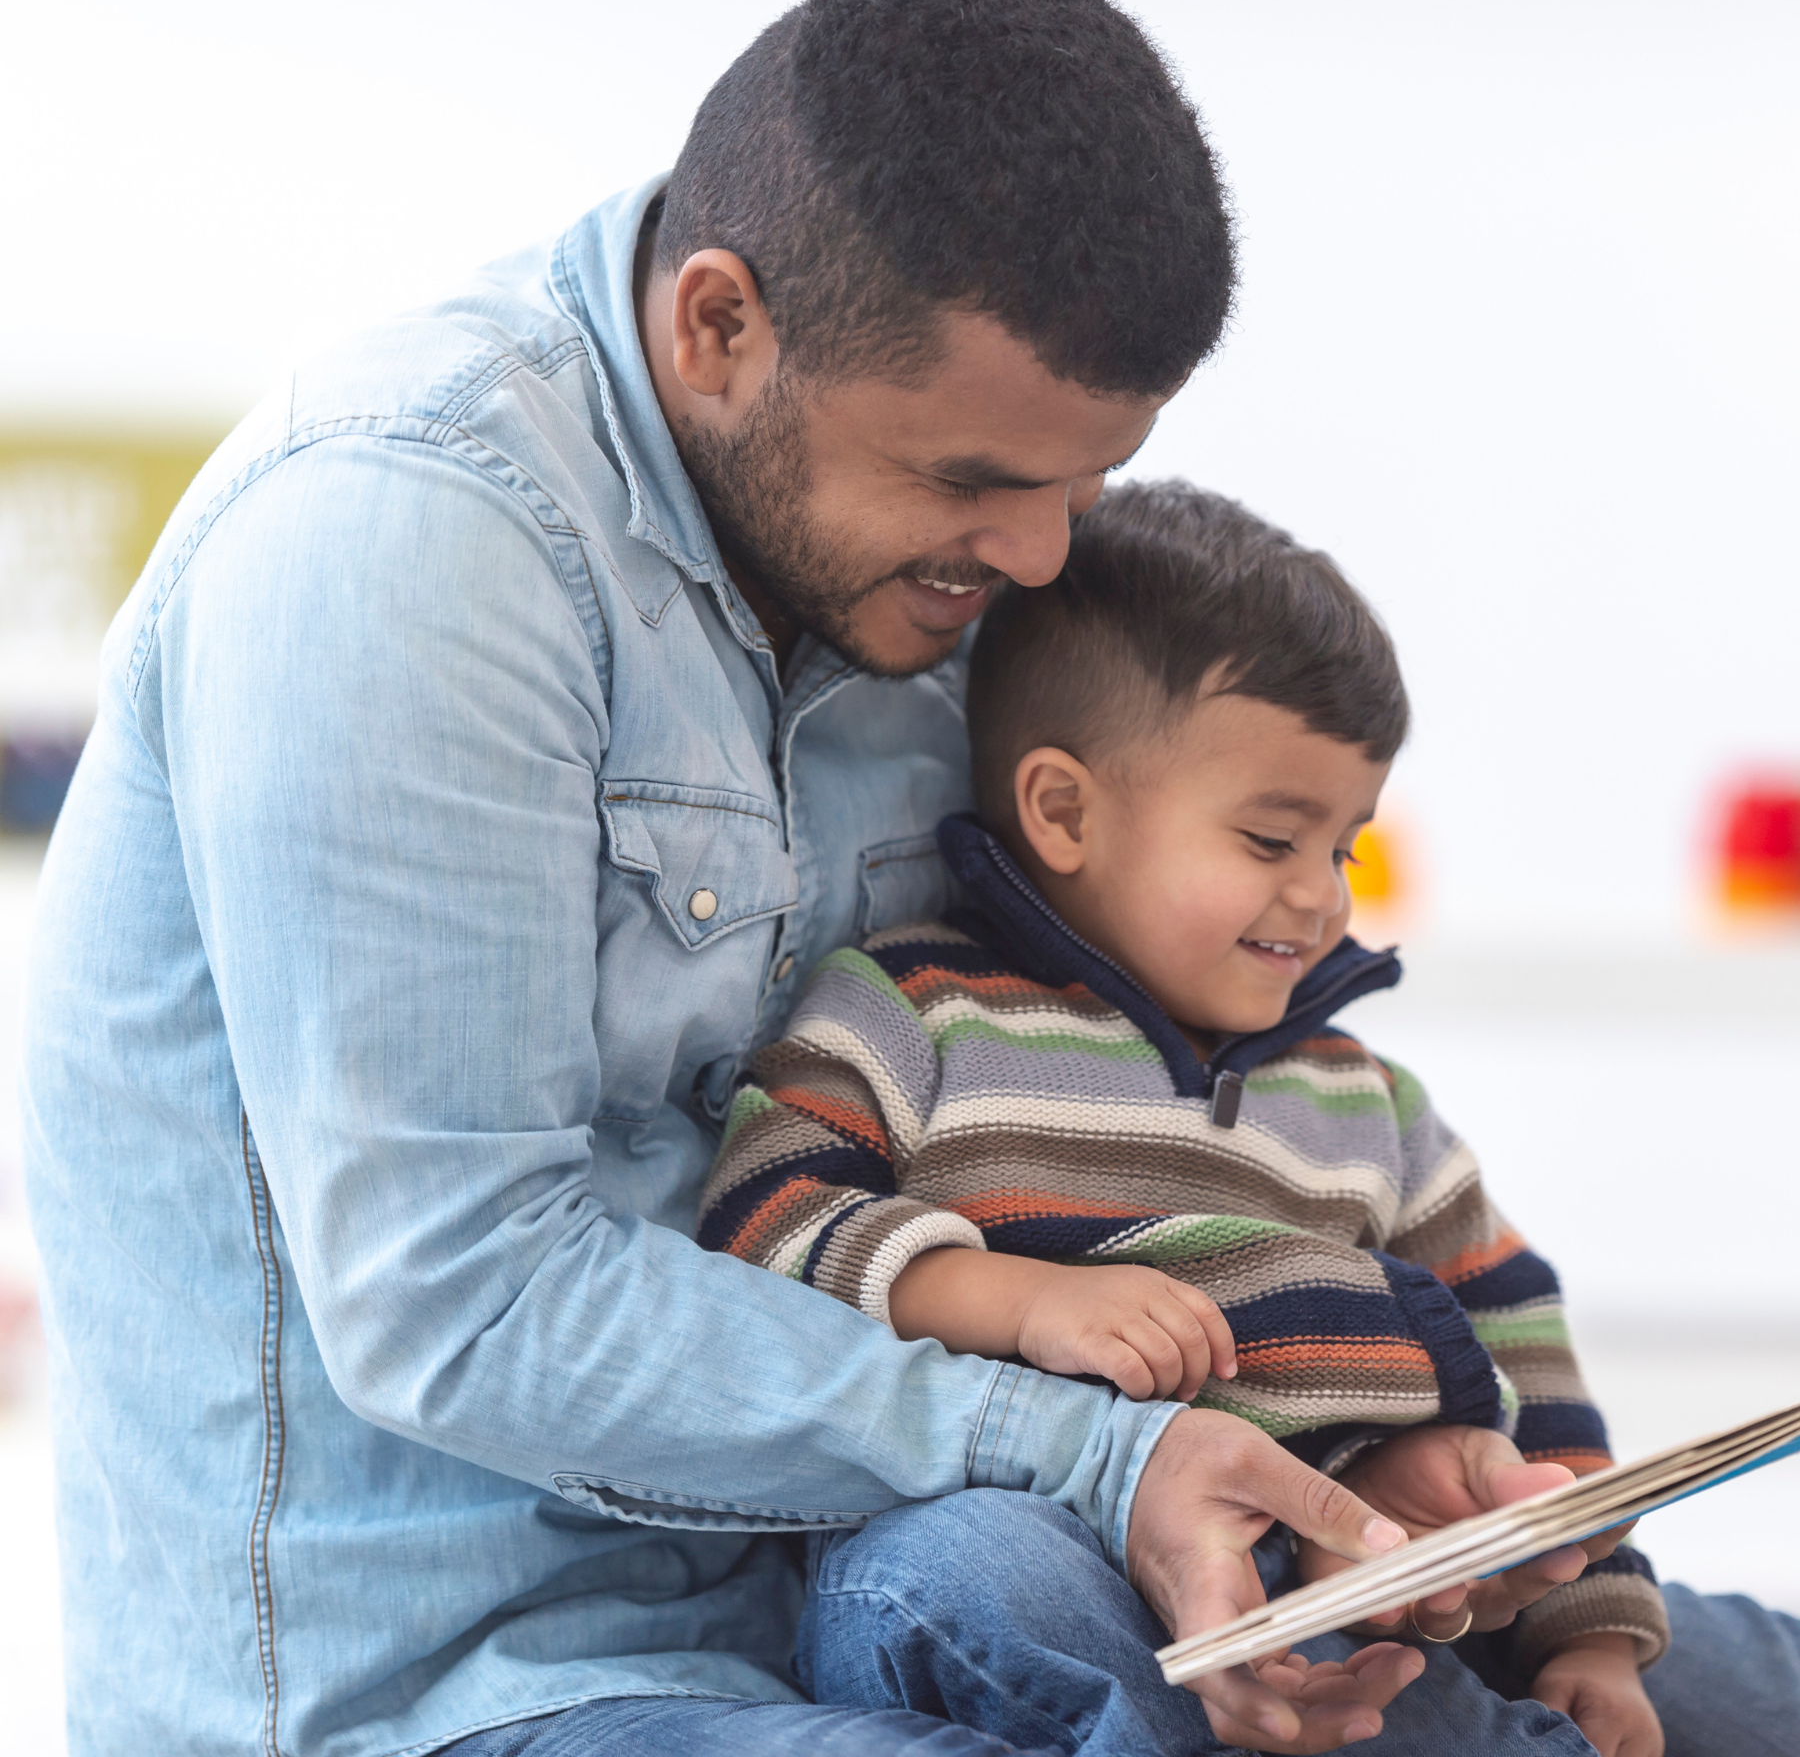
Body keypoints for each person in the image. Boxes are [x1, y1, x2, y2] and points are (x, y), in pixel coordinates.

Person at [19, 0, 1472, 1755]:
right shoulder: (405, 536)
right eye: (970, 483)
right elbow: (458, 1299)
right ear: (719, 325)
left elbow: (1042, 1103)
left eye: (1081, 488)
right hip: (443, 1691)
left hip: (862, 1601)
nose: (1032, 562)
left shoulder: (911, 576)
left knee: (1704, 1677)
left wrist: (1351, 1442)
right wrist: (1091, 1449)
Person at [698, 480, 1800, 1757]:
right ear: (1064, 811)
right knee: (960, 1573)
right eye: (1273, 838)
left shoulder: (1360, 1099)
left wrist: (1589, 1634)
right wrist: (1016, 1299)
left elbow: (1520, 1335)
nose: (1321, 899)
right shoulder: (911, 1011)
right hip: (1059, 1555)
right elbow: (760, 1218)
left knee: (1744, 1679)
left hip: (1383, 1580)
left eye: (1343, 848)